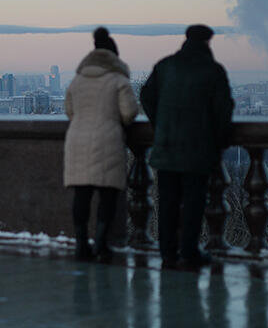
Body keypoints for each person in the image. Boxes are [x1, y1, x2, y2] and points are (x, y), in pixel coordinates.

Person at [140, 25, 234, 269]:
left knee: (168, 202)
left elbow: (147, 96)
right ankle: (189, 251)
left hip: (167, 146)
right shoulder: (212, 71)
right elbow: (223, 110)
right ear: (207, 43)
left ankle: (167, 252)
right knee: (193, 202)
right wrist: (219, 140)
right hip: (198, 149)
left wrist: (160, 124)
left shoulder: (165, 66)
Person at [64, 27, 139, 261]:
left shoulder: (77, 80)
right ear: (114, 57)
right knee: (107, 196)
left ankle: (80, 245)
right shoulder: (118, 79)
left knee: (82, 195)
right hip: (107, 139)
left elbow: (70, 111)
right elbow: (129, 113)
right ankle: (101, 244)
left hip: (76, 140)